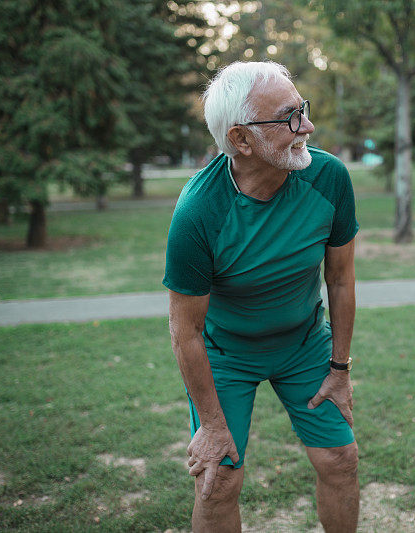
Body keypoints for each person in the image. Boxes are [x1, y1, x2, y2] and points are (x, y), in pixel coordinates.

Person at [164, 61, 359, 533]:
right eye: (289, 117)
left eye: (304, 110)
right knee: (218, 482)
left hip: (304, 344)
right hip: (225, 355)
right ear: (241, 140)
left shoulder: (328, 177)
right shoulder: (198, 214)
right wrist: (211, 426)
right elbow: (185, 330)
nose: (307, 127)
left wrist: (339, 368)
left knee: (340, 458)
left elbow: (340, 279)